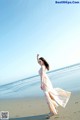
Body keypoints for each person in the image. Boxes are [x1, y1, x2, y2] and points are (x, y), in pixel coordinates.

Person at [37, 54, 71, 119]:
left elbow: (43, 76)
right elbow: (38, 63)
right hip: (46, 81)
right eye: (38, 62)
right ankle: (54, 107)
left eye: (40, 61)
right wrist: (37, 57)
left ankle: (52, 111)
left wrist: (41, 84)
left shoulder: (43, 67)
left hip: (45, 82)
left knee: (47, 97)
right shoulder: (42, 65)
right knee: (49, 95)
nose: (39, 62)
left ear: (43, 61)